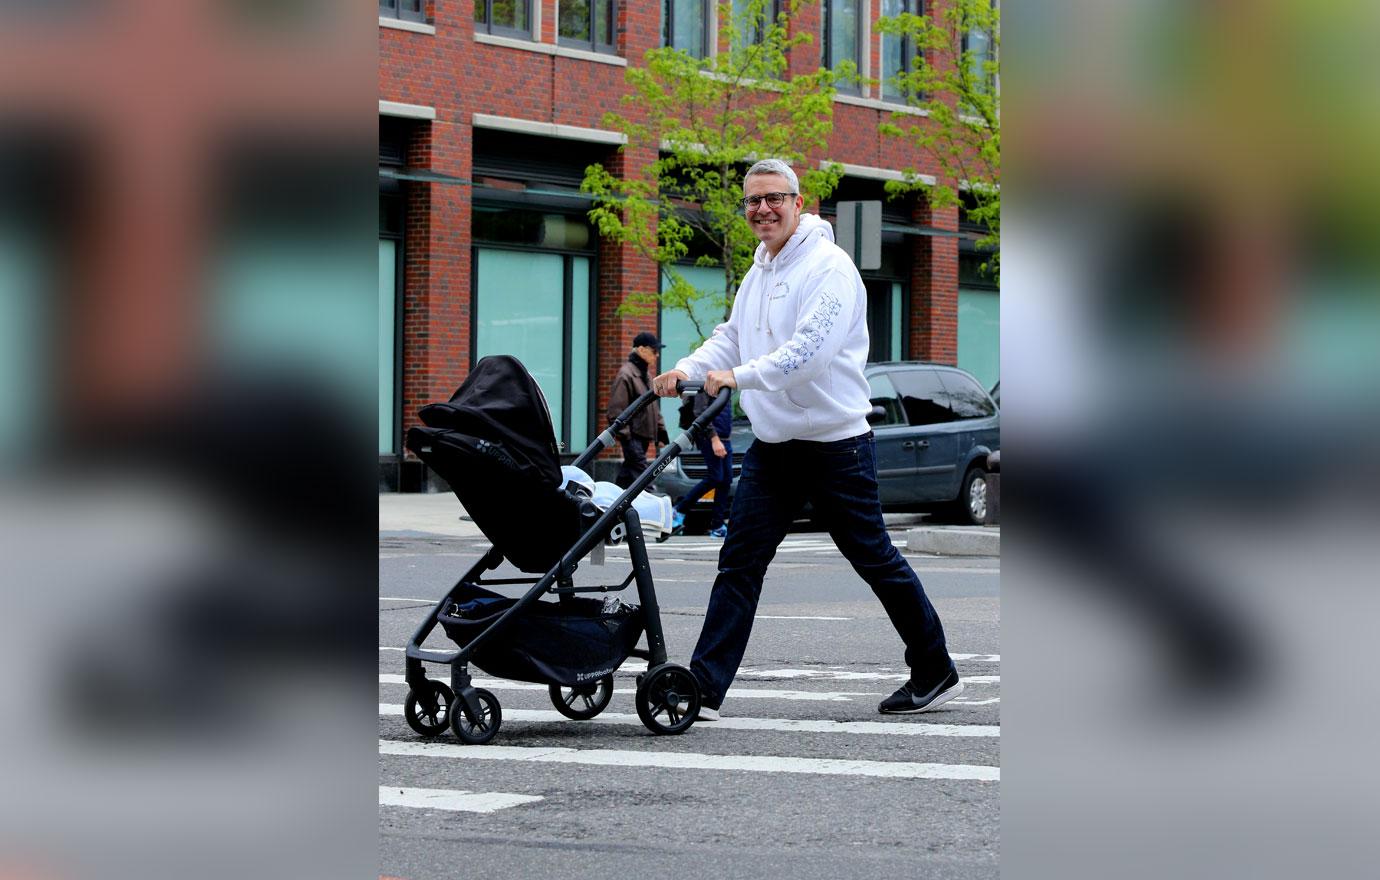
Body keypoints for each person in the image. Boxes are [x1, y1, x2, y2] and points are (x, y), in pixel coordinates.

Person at [652, 158, 962, 721]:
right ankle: (703, 687)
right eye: (752, 201)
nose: (762, 209)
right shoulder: (761, 267)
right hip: (776, 447)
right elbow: (732, 337)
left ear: (799, 202)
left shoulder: (830, 268)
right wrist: (688, 370)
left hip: (836, 444)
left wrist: (736, 378)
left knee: (874, 559)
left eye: (774, 198)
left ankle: (934, 666)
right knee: (739, 562)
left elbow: (807, 356)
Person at [608, 331, 670, 489]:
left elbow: (652, 406)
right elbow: (615, 411)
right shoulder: (626, 374)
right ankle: (655, 509)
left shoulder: (645, 375)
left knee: (626, 477)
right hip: (632, 437)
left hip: (641, 437)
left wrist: (661, 433)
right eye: (654, 351)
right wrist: (627, 439)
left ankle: (610, 509)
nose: (657, 355)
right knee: (644, 480)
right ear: (641, 350)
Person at [671, 389, 733, 538]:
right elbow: (700, 413)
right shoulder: (705, 384)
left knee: (725, 480)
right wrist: (714, 438)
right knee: (716, 477)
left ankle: (717, 526)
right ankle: (679, 509)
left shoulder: (725, 384)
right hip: (710, 438)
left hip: (725, 438)